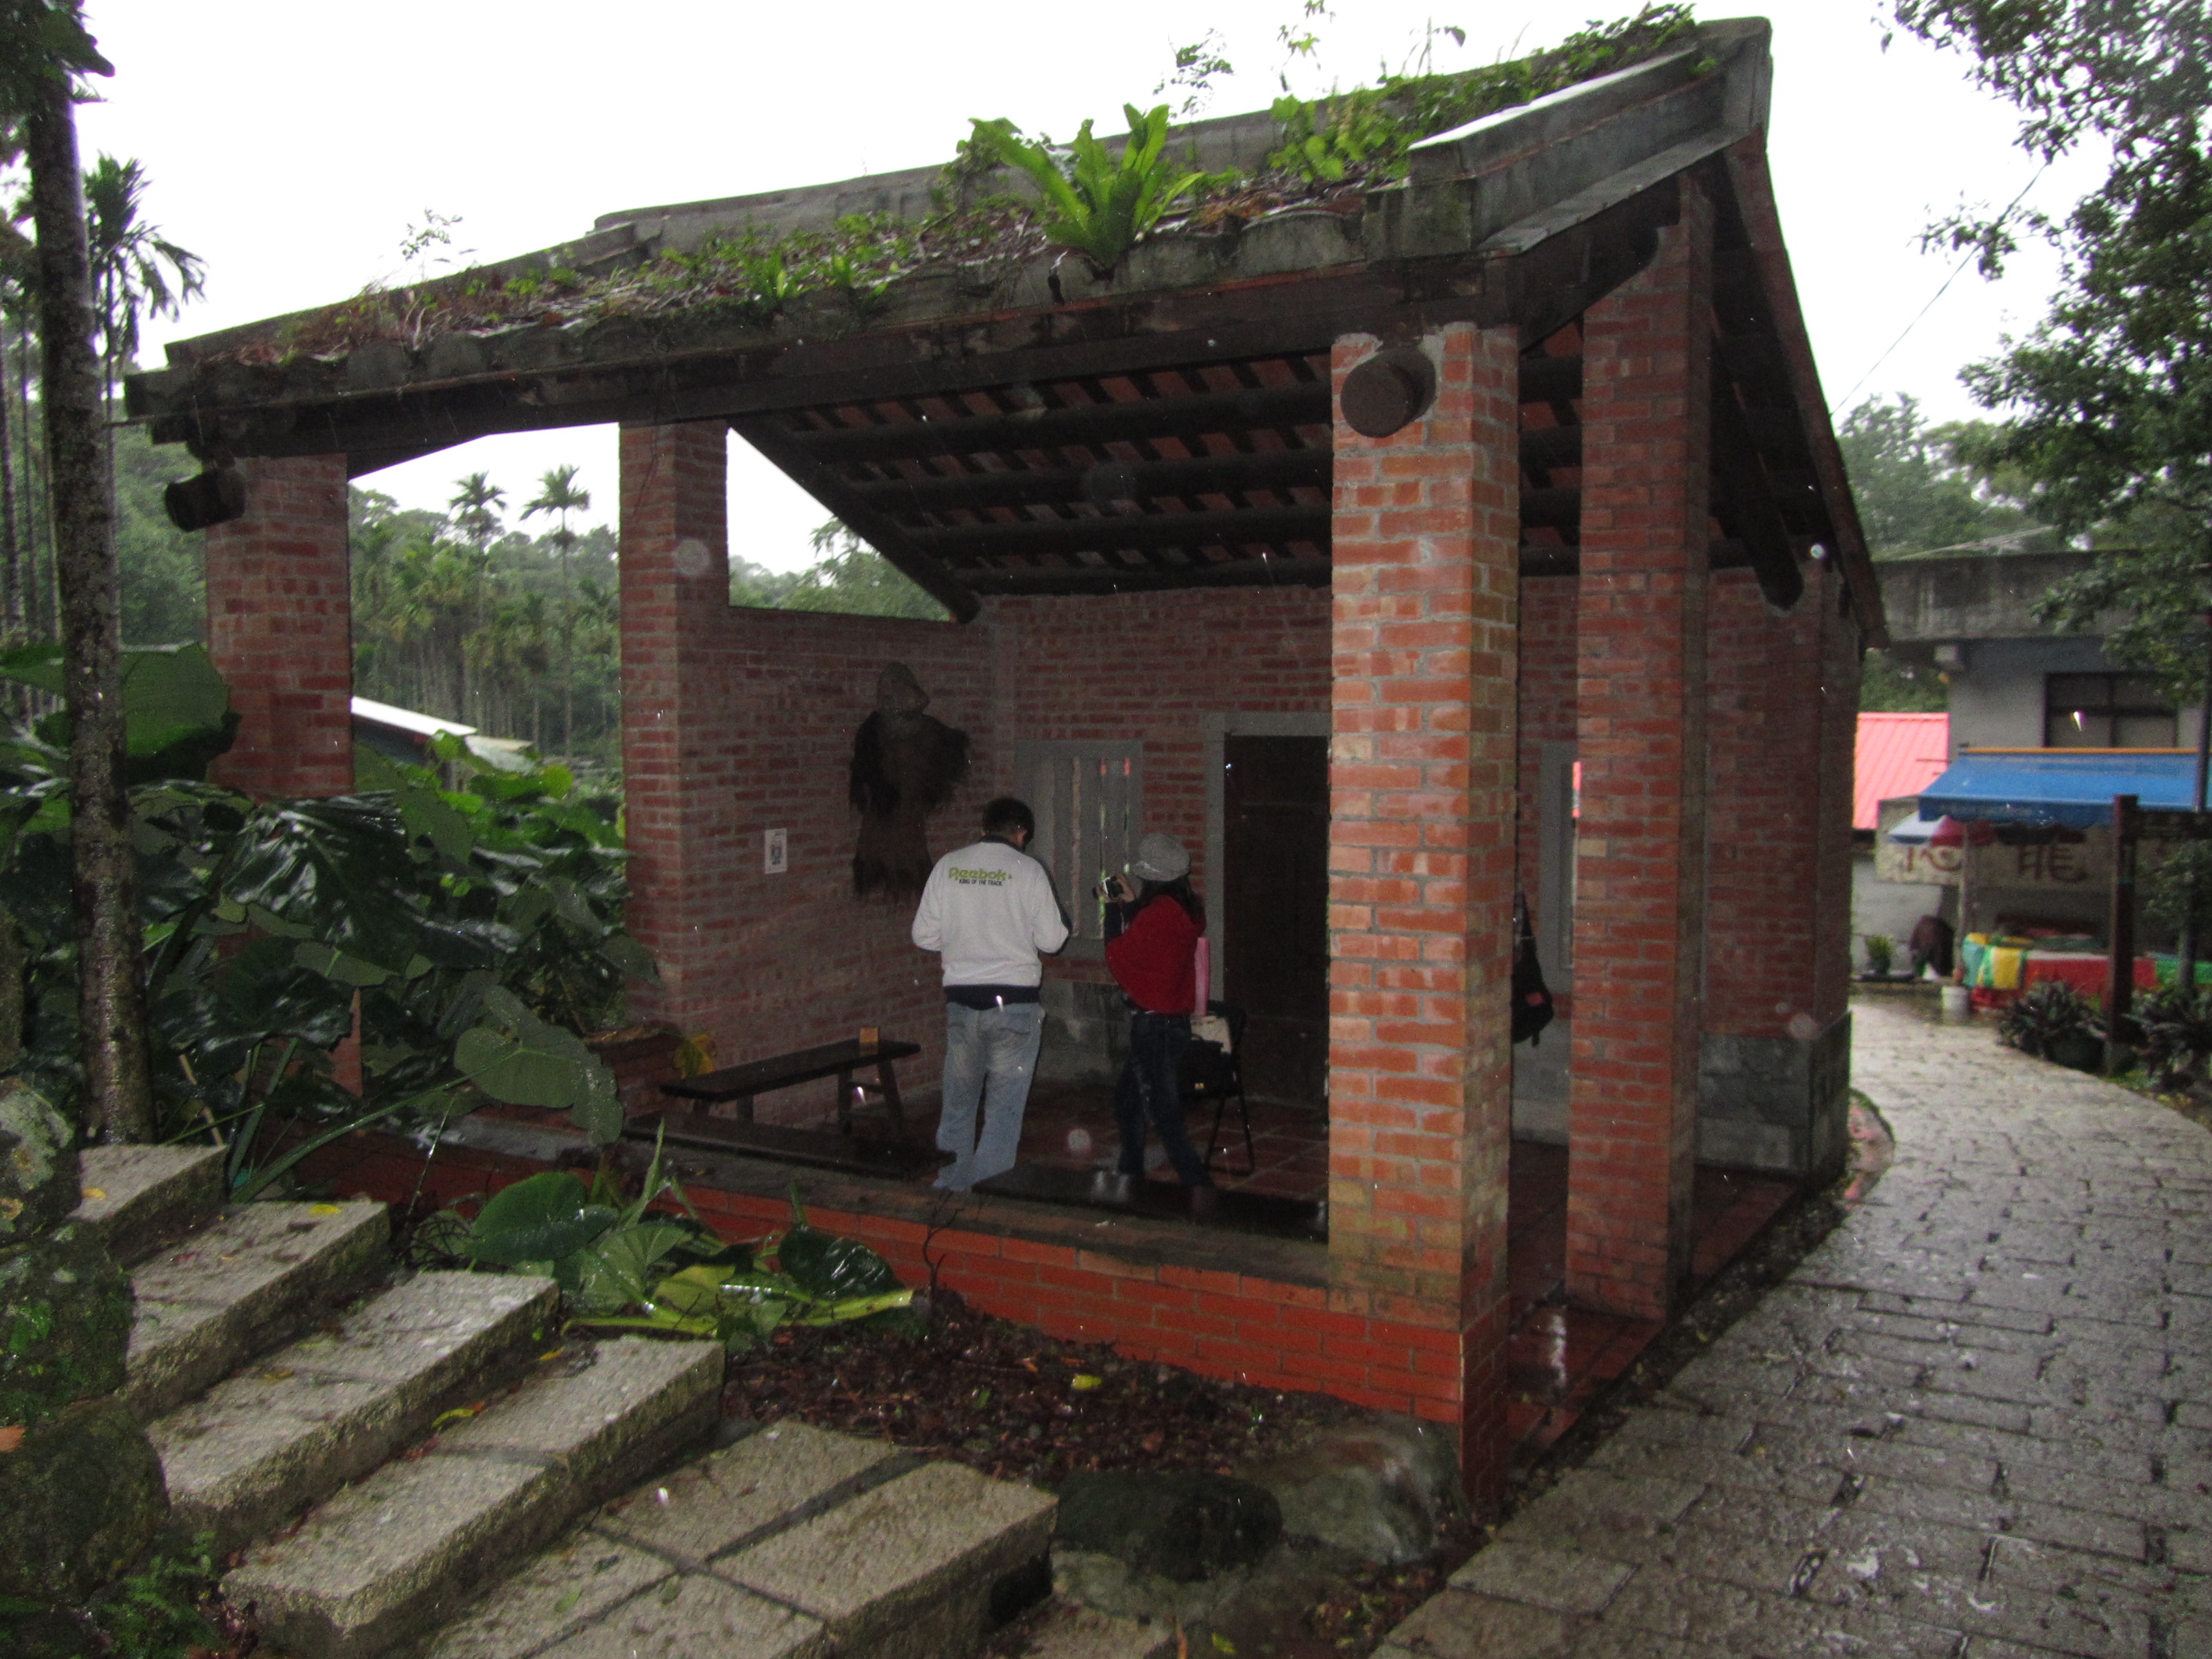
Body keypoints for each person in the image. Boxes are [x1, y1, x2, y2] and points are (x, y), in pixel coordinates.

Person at [911, 797, 1069, 1190]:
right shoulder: (1029, 870)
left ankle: (950, 1187)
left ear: (984, 827)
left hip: (963, 1004)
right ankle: (989, 1195)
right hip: (1014, 1007)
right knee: (1003, 1112)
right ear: (1022, 834)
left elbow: (923, 936)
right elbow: (1052, 941)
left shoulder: (948, 865)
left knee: (958, 1107)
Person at [1103, 832, 1216, 1210]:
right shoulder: (1186, 909)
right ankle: (1129, 1175)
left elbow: (1121, 954)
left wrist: (1113, 911)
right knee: (1128, 1101)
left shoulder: (1157, 914)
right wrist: (1132, 906)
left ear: (1151, 876)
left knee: (1165, 1118)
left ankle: (1203, 1194)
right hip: (1173, 1024)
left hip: (1153, 1026)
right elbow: (1155, 939)